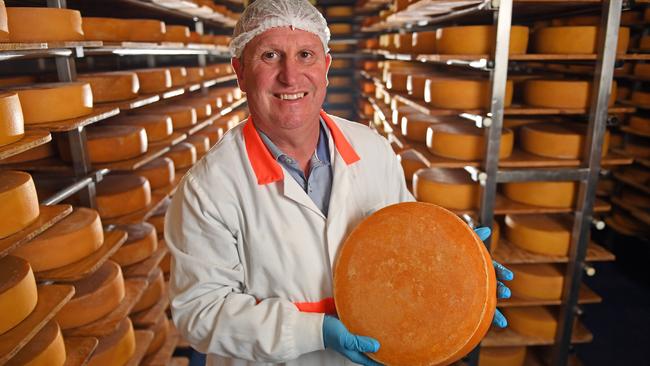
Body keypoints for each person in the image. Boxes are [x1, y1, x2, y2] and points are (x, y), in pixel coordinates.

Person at [165, 0, 513, 365]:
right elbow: (200, 313)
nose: (290, 76)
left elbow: (409, 247)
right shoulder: (208, 188)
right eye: (269, 56)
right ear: (239, 71)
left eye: (305, 55)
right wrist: (313, 331)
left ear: (326, 66)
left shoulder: (372, 149)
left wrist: (462, 274)